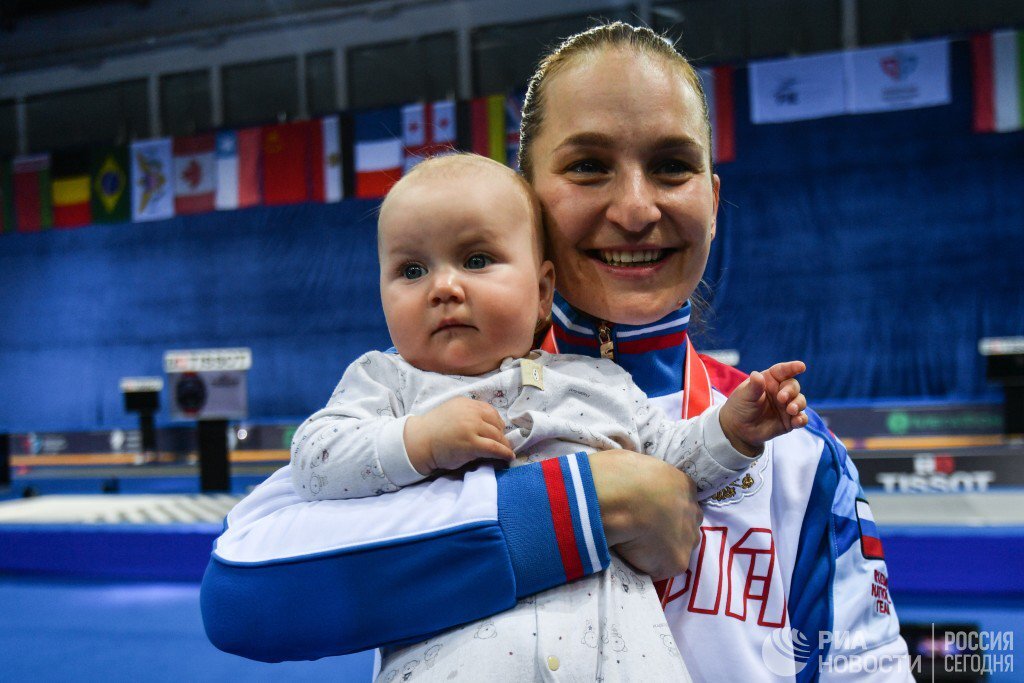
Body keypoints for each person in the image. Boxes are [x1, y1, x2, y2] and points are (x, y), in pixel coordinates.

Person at [201, 22, 912, 680]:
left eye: (672, 166)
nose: (636, 209)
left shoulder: (795, 453)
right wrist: (592, 505)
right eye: (589, 166)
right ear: (526, 199)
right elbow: (240, 595)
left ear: (715, 200)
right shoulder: (414, 393)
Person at [291, 152, 809, 680]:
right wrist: (417, 440)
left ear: (542, 292)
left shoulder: (597, 382)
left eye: (475, 260)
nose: (443, 287)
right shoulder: (386, 383)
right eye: (411, 270)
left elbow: (675, 467)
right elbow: (314, 459)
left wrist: (732, 431)